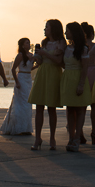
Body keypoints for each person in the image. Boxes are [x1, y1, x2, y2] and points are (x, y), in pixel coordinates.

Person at [28, 19, 66, 150]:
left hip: (53, 73)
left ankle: (52, 137)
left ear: (53, 28)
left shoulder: (61, 42)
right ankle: (38, 137)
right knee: (39, 106)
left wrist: (45, 54)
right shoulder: (44, 42)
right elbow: (41, 60)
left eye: (47, 27)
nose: (45, 29)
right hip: (42, 72)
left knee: (51, 108)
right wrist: (37, 57)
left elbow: (58, 61)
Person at [60, 22, 92, 152]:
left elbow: (85, 67)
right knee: (70, 109)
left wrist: (81, 84)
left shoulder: (83, 48)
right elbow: (64, 64)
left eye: (67, 31)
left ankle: (77, 138)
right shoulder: (67, 48)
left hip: (78, 78)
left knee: (79, 110)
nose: (66, 33)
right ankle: (71, 136)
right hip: (68, 78)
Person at [0, 38, 36, 135]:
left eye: (29, 43)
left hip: (28, 78)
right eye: (27, 43)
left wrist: (37, 65)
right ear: (23, 45)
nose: (29, 44)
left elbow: (29, 68)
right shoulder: (20, 55)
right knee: (21, 103)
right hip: (21, 78)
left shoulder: (31, 55)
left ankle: (26, 127)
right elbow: (13, 69)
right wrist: (17, 82)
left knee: (28, 103)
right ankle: (19, 127)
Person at [81, 22, 95, 145]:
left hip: (85, 73)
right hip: (94, 73)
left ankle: (81, 132)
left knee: (82, 106)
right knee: (94, 106)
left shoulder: (79, 47)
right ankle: (93, 132)